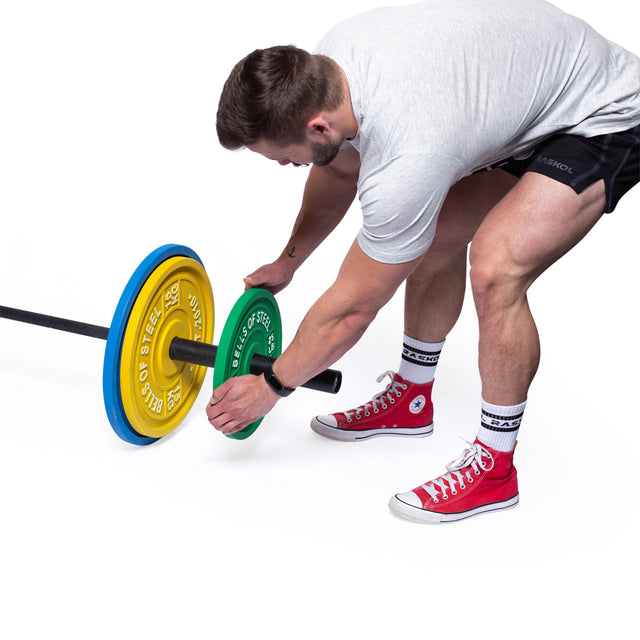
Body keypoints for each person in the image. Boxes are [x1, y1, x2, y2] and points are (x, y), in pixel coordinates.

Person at [208, 0, 640, 523]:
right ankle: (411, 400)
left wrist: (271, 386)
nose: (281, 166)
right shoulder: (328, 70)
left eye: (281, 155)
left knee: (496, 267)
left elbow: (353, 309)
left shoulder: (407, 158)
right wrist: (289, 260)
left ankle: (495, 471)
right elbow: (339, 171)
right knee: (431, 234)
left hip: (604, 109)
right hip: (526, 94)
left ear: (318, 126)